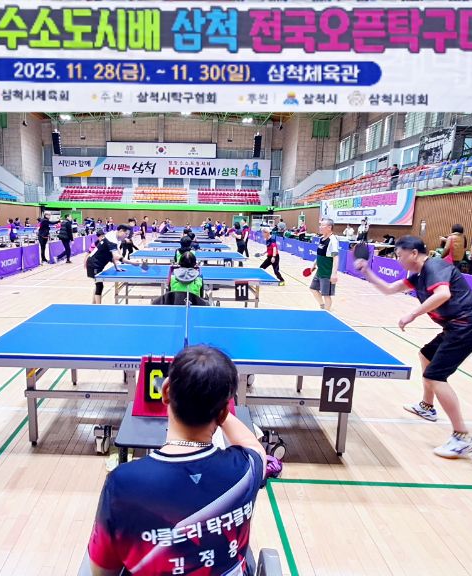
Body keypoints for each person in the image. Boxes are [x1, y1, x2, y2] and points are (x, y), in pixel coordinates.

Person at [87, 345, 266, 576]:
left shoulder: (122, 484)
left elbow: (102, 571)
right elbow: (254, 446)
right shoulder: (246, 470)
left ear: (166, 391)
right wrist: (216, 405)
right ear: (223, 412)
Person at [353, 236, 472, 459]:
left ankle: (462, 437)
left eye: (400, 255)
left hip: (469, 326)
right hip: (456, 327)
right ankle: (427, 406)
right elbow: (389, 289)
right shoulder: (419, 277)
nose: (398, 260)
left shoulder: (434, 266)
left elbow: (443, 294)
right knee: (426, 355)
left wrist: (412, 314)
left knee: (436, 376)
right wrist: (366, 271)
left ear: (414, 253)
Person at [86, 225, 137, 304]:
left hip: (98, 263)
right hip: (94, 263)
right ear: (121, 231)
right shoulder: (112, 239)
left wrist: (117, 267)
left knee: (97, 285)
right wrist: (132, 263)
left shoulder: (115, 237)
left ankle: (94, 305)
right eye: (126, 234)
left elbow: (113, 256)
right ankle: (98, 307)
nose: (127, 236)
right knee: (99, 285)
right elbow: (116, 256)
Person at [310, 218, 340, 311]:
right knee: (313, 289)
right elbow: (320, 254)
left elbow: (336, 257)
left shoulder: (333, 240)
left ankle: (327, 313)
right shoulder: (321, 239)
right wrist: (314, 264)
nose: (320, 227)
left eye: (323, 225)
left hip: (327, 272)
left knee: (326, 295)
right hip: (319, 271)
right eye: (320, 225)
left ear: (329, 227)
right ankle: (323, 306)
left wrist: (334, 274)